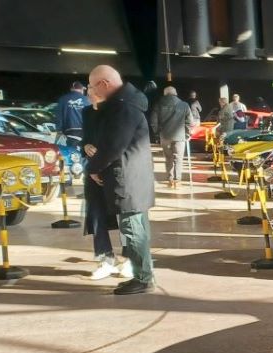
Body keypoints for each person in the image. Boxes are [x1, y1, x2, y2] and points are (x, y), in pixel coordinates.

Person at [84, 65, 156, 295]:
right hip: (134, 178)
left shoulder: (123, 108)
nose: (91, 91)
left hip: (128, 179)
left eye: (92, 86)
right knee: (136, 229)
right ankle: (143, 274)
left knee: (133, 230)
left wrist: (93, 168)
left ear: (104, 84)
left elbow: (113, 146)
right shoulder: (127, 104)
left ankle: (143, 278)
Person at [81, 90, 130, 281]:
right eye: (88, 88)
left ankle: (128, 260)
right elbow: (86, 138)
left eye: (93, 88)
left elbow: (118, 144)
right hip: (93, 170)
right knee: (96, 215)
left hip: (114, 170)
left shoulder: (116, 111)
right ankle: (105, 259)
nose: (90, 93)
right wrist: (85, 147)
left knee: (125, 216)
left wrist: (98, 166)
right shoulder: (86, 112)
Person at [150, 86, 194, 189]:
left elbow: (153, 121)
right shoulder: (184, 105)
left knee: (168, 158)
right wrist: (187, 133)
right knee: (178, 158)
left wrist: (157, 133)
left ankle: (170, 180)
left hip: (165, 136)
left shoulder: (158, 104)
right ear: (176, 93)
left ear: (165, 94)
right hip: (180, 136)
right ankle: (177, 181)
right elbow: (190, 122)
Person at [55, 81, 88, 150]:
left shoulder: (63, 99)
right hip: (86, 131)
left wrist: (59, 130)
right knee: (85, 152)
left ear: (71, 89)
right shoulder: (87, 100)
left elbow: (59, 116)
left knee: (72, 152)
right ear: (82, 89)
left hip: (70, 132)